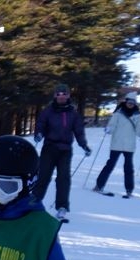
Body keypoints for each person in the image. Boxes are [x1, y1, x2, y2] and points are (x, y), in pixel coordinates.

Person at [33, 83, 91, 222]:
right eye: (58, 94)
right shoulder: (48, 111)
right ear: (54, 96)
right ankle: (33, 204)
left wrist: (84, 145)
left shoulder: (73, 113)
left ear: (68, 96)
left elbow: (78, 131)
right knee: (43, 176)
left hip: (65, 150)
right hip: (49, 147)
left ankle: (62, 207)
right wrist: (39, 134)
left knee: (63, 178)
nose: (61, 97)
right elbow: (41, 124)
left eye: (64, 94)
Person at [93, 91, 140, 197]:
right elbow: (112, 125)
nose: (130, 104)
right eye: (129, 102)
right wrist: (109, 129)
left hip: (129, 145)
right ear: (126, 102)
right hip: (117, 143)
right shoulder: (118, 113)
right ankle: (99, 185)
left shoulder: (137, 115)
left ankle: (129, 190)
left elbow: (139, 128)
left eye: (133, 102)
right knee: (110, 165)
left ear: (135, 103)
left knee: (129, 168)